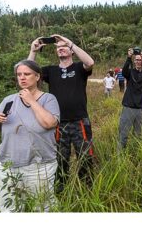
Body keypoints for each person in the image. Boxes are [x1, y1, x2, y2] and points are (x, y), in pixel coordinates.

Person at [0, 60, 60, 212]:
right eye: (19, 74)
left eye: (27, 74)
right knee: (10, 210)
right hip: (8, 166)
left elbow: (49, 123)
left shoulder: (48, 99)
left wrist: (32, 101)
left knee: (42, 209)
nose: (22, 77)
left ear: (37, 76)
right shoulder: (9, 100)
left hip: (39, 167)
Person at [28, 34, 95, 193]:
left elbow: (90, 62)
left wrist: (70, 43)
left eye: (64, 46)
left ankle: (86, 190)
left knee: (85, 157)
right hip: (58, 123)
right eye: (58, 47)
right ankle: (61, 191)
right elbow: (28, 71)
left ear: (71, 50)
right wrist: (33, 51)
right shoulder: (51, 71)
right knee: (60, 159)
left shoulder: (79, 68)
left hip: (80, 122)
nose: (61, 49)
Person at [118, 48, 142, 150]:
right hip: (128, 107)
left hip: (140, 109)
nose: (138, 61)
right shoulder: (130, 73)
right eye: (137, 60)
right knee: (123, 134)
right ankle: (120, 156)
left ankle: (136, 155)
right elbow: (124, 72)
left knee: (139, 135)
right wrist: (129, 57)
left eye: (140, 60)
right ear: (134, 61)